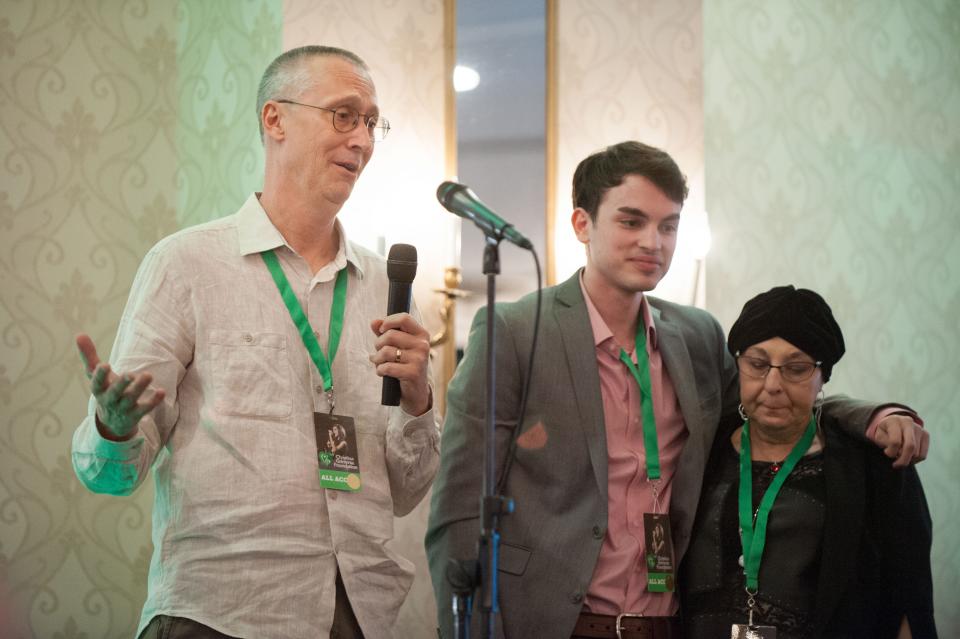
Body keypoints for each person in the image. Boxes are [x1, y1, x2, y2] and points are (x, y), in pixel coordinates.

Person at [425, 141, 929, 639]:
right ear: (582, 224)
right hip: (549, 621)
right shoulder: (515, 332)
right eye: (632, 221)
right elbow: (460, 508)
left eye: (669, 226)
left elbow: (773, 396)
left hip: (665, 624)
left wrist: (870, 415)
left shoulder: (697, 336)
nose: (654, 242)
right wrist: (463, 627)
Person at [71, 45, 440, 639]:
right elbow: (110, 475)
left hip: (360, 613)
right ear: (276, 119)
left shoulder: (385, 287)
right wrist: (113, 427)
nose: (364, 141)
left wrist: (420, 402)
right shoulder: (187, 264)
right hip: (221, 612)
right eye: (344, 115)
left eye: (372, 122)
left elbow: (405, 493)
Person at [680, 286, 937, 638]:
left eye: (796, 369)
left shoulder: (875, 465)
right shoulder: (701, 449)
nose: (773, 384)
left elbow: (909, 598)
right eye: (757, 364)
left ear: (822, 377)